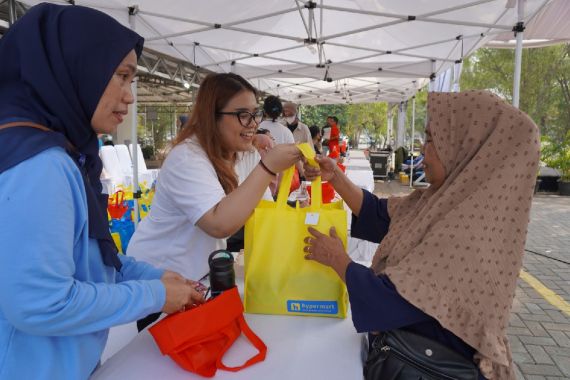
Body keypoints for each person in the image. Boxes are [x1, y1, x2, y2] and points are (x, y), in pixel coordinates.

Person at [0, 4, 203, 379]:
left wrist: (154, 277)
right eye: (122, 76)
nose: (129, 96)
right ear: (75, 68)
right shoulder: (41, 166)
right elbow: (40, 303)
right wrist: (154, 295)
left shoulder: (62, 152)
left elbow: (91, 260)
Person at [303, 91, 540, 380]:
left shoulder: (466, 234)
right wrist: (336, 178)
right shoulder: (448, 202)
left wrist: (338, 259)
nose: (421, 150)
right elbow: (380, 215)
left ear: (466, 147)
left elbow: (387, 302)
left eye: (431, 139)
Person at [127, 73, 301, 329]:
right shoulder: (187, 158)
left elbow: (260, 210)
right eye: (243, 114)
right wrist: (267, 168)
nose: (253, 124)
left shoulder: (243, 154)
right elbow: (218, 223)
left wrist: (298, 211)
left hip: (197, 277)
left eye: (255, 114)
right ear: (213, 115)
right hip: (159, 278)